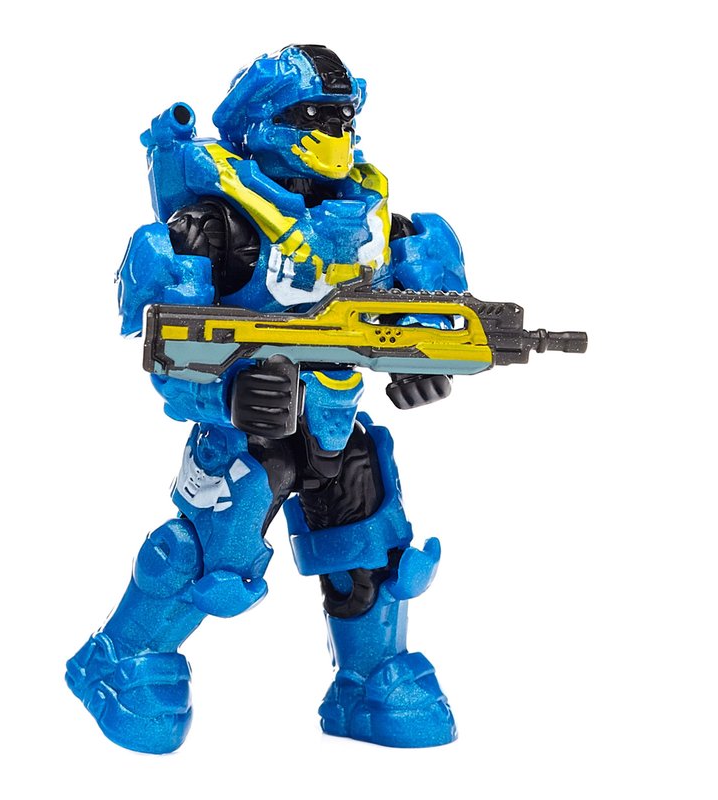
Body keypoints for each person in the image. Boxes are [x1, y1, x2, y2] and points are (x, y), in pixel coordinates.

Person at [66, 44, 467, 752]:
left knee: (371, 539)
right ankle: (122, 658)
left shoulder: (378, 224)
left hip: (335, 419)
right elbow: (168, 355)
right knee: (207, 554)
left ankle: (368, 682)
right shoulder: (214, 228)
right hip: (244, 431)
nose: (335, 132)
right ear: (267, 121)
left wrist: (424, 360)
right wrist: (229, 391)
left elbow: (429, 316)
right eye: (316, 116)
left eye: (343, 117)